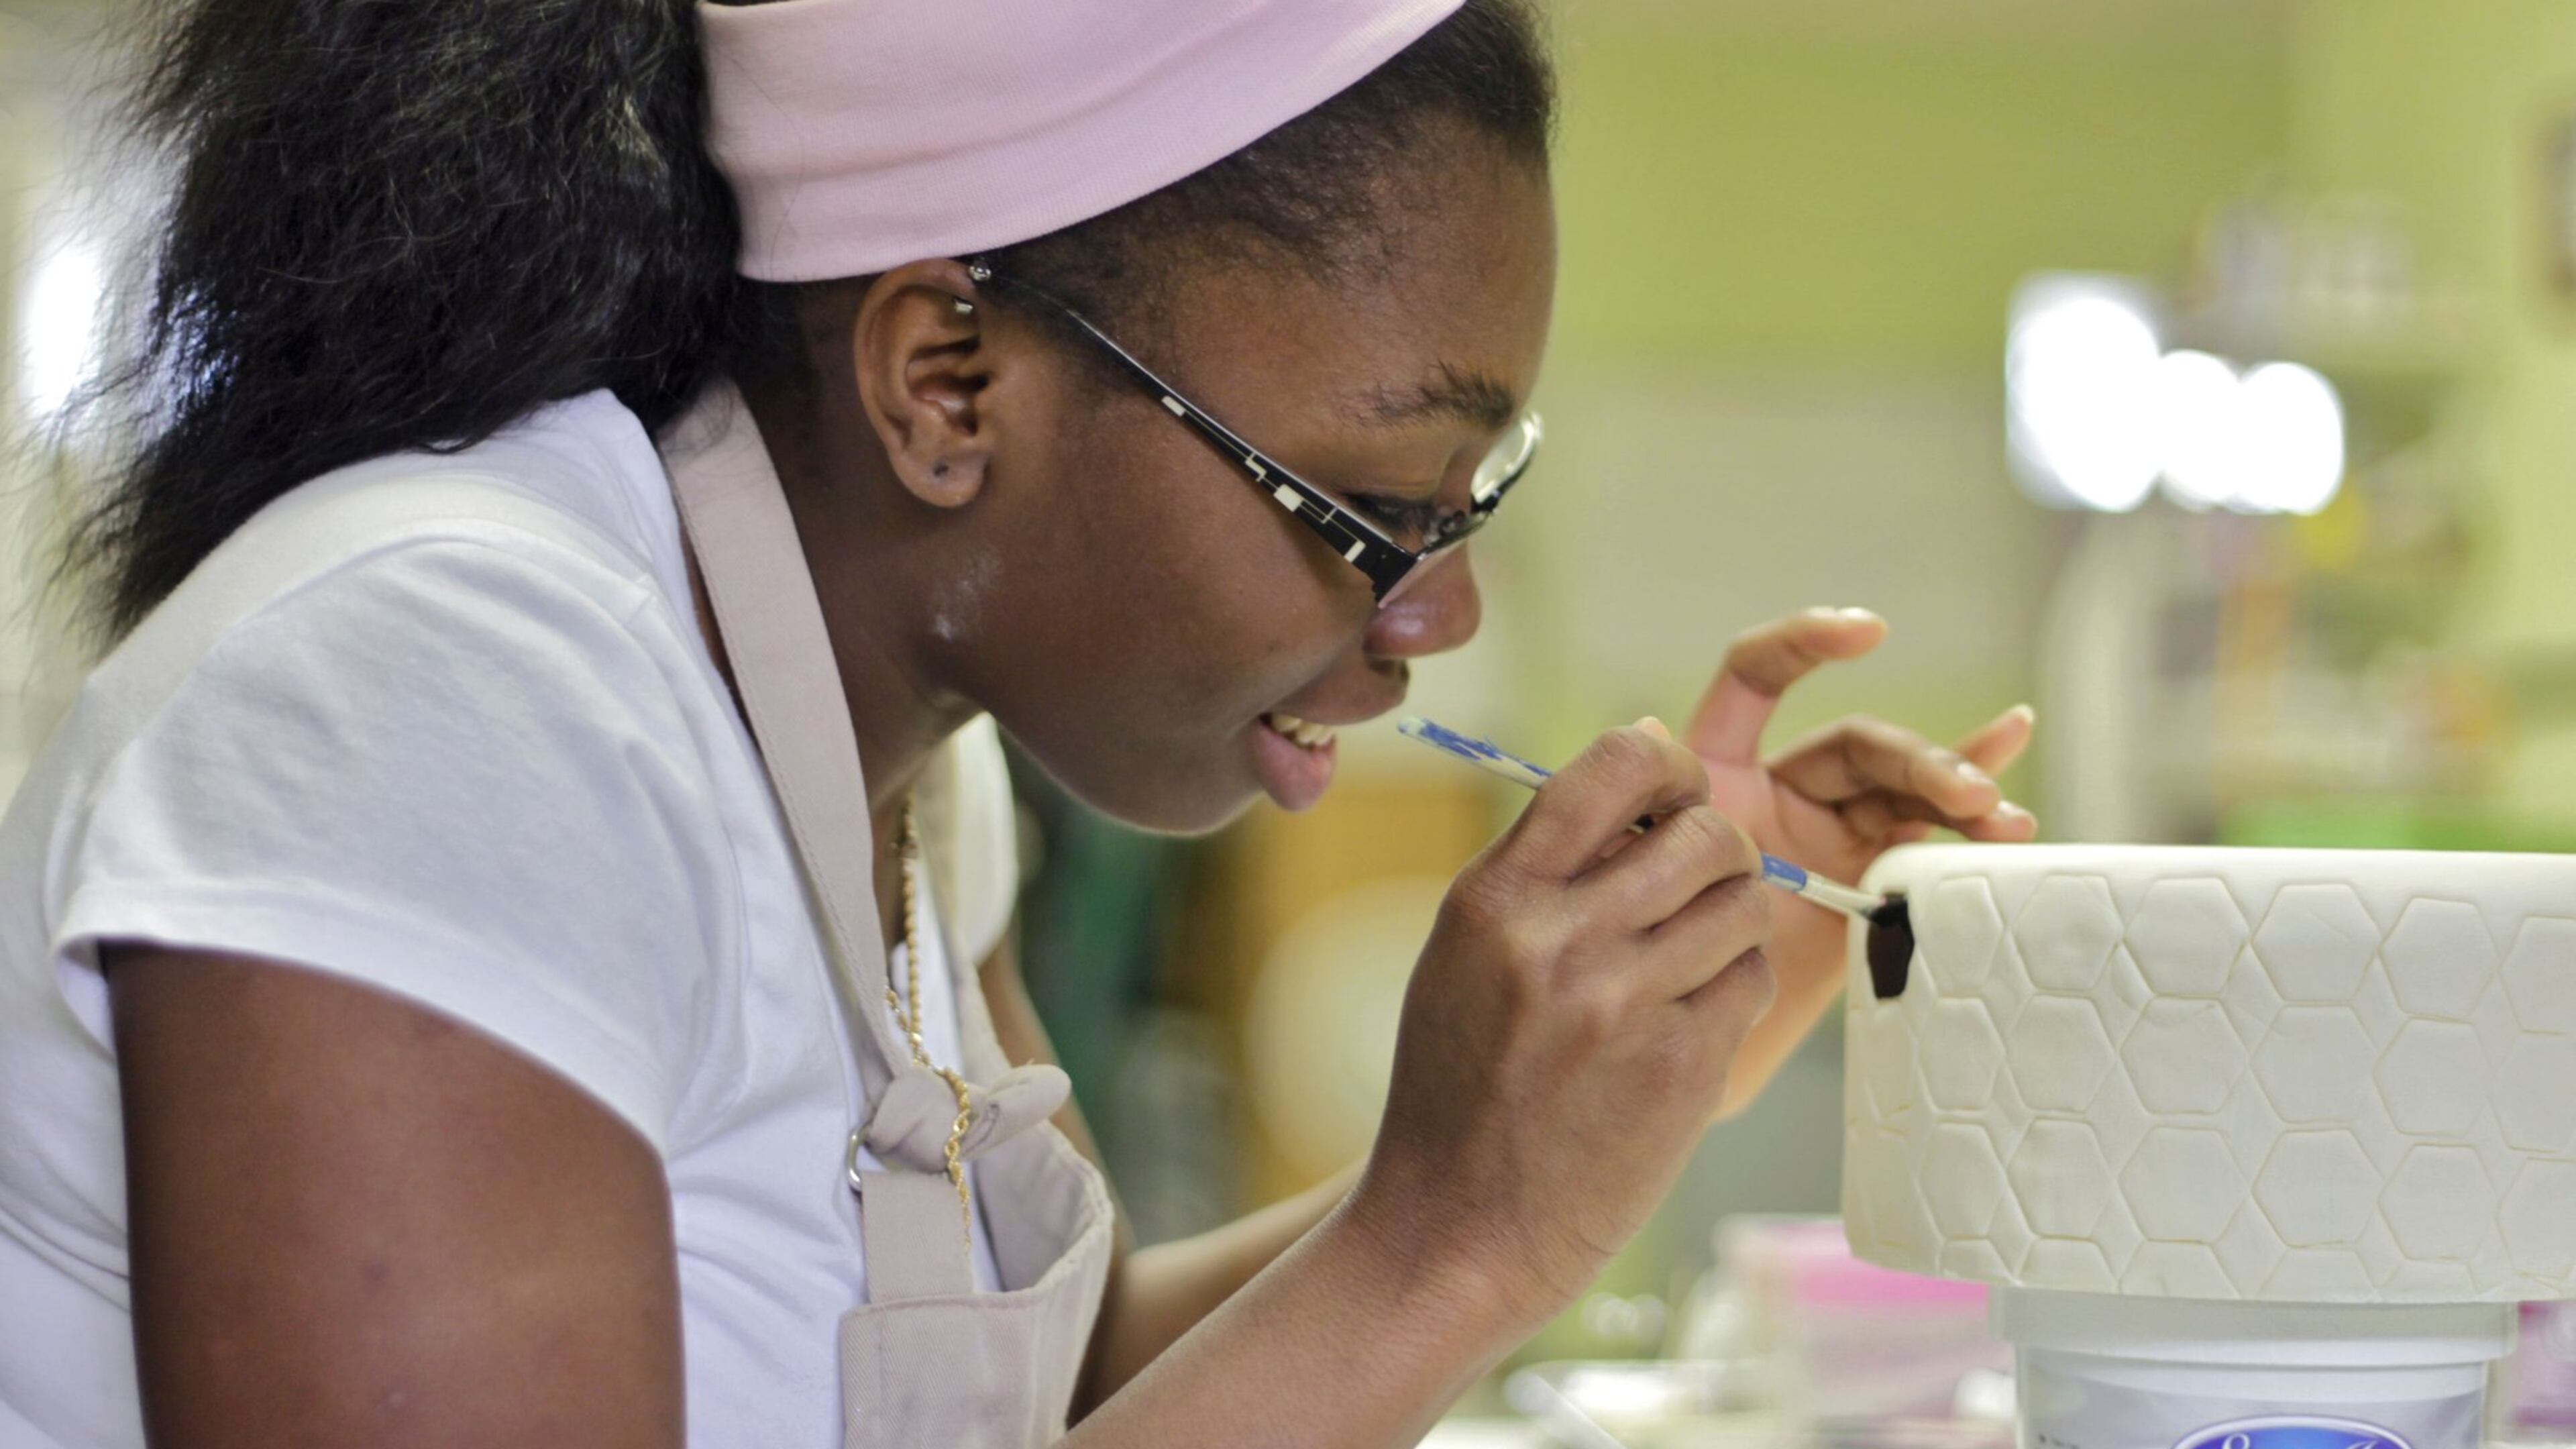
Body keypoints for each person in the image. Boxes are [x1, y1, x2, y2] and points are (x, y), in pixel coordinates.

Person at [0, 0, 2037, 1444]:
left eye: (1467, 506)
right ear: (948, 384)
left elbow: (1055, 1393)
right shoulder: (439, 690)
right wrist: (1453, 1239)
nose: (1439, 616)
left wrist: (1596, 1109)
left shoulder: (904, 768)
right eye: (1369, 510)